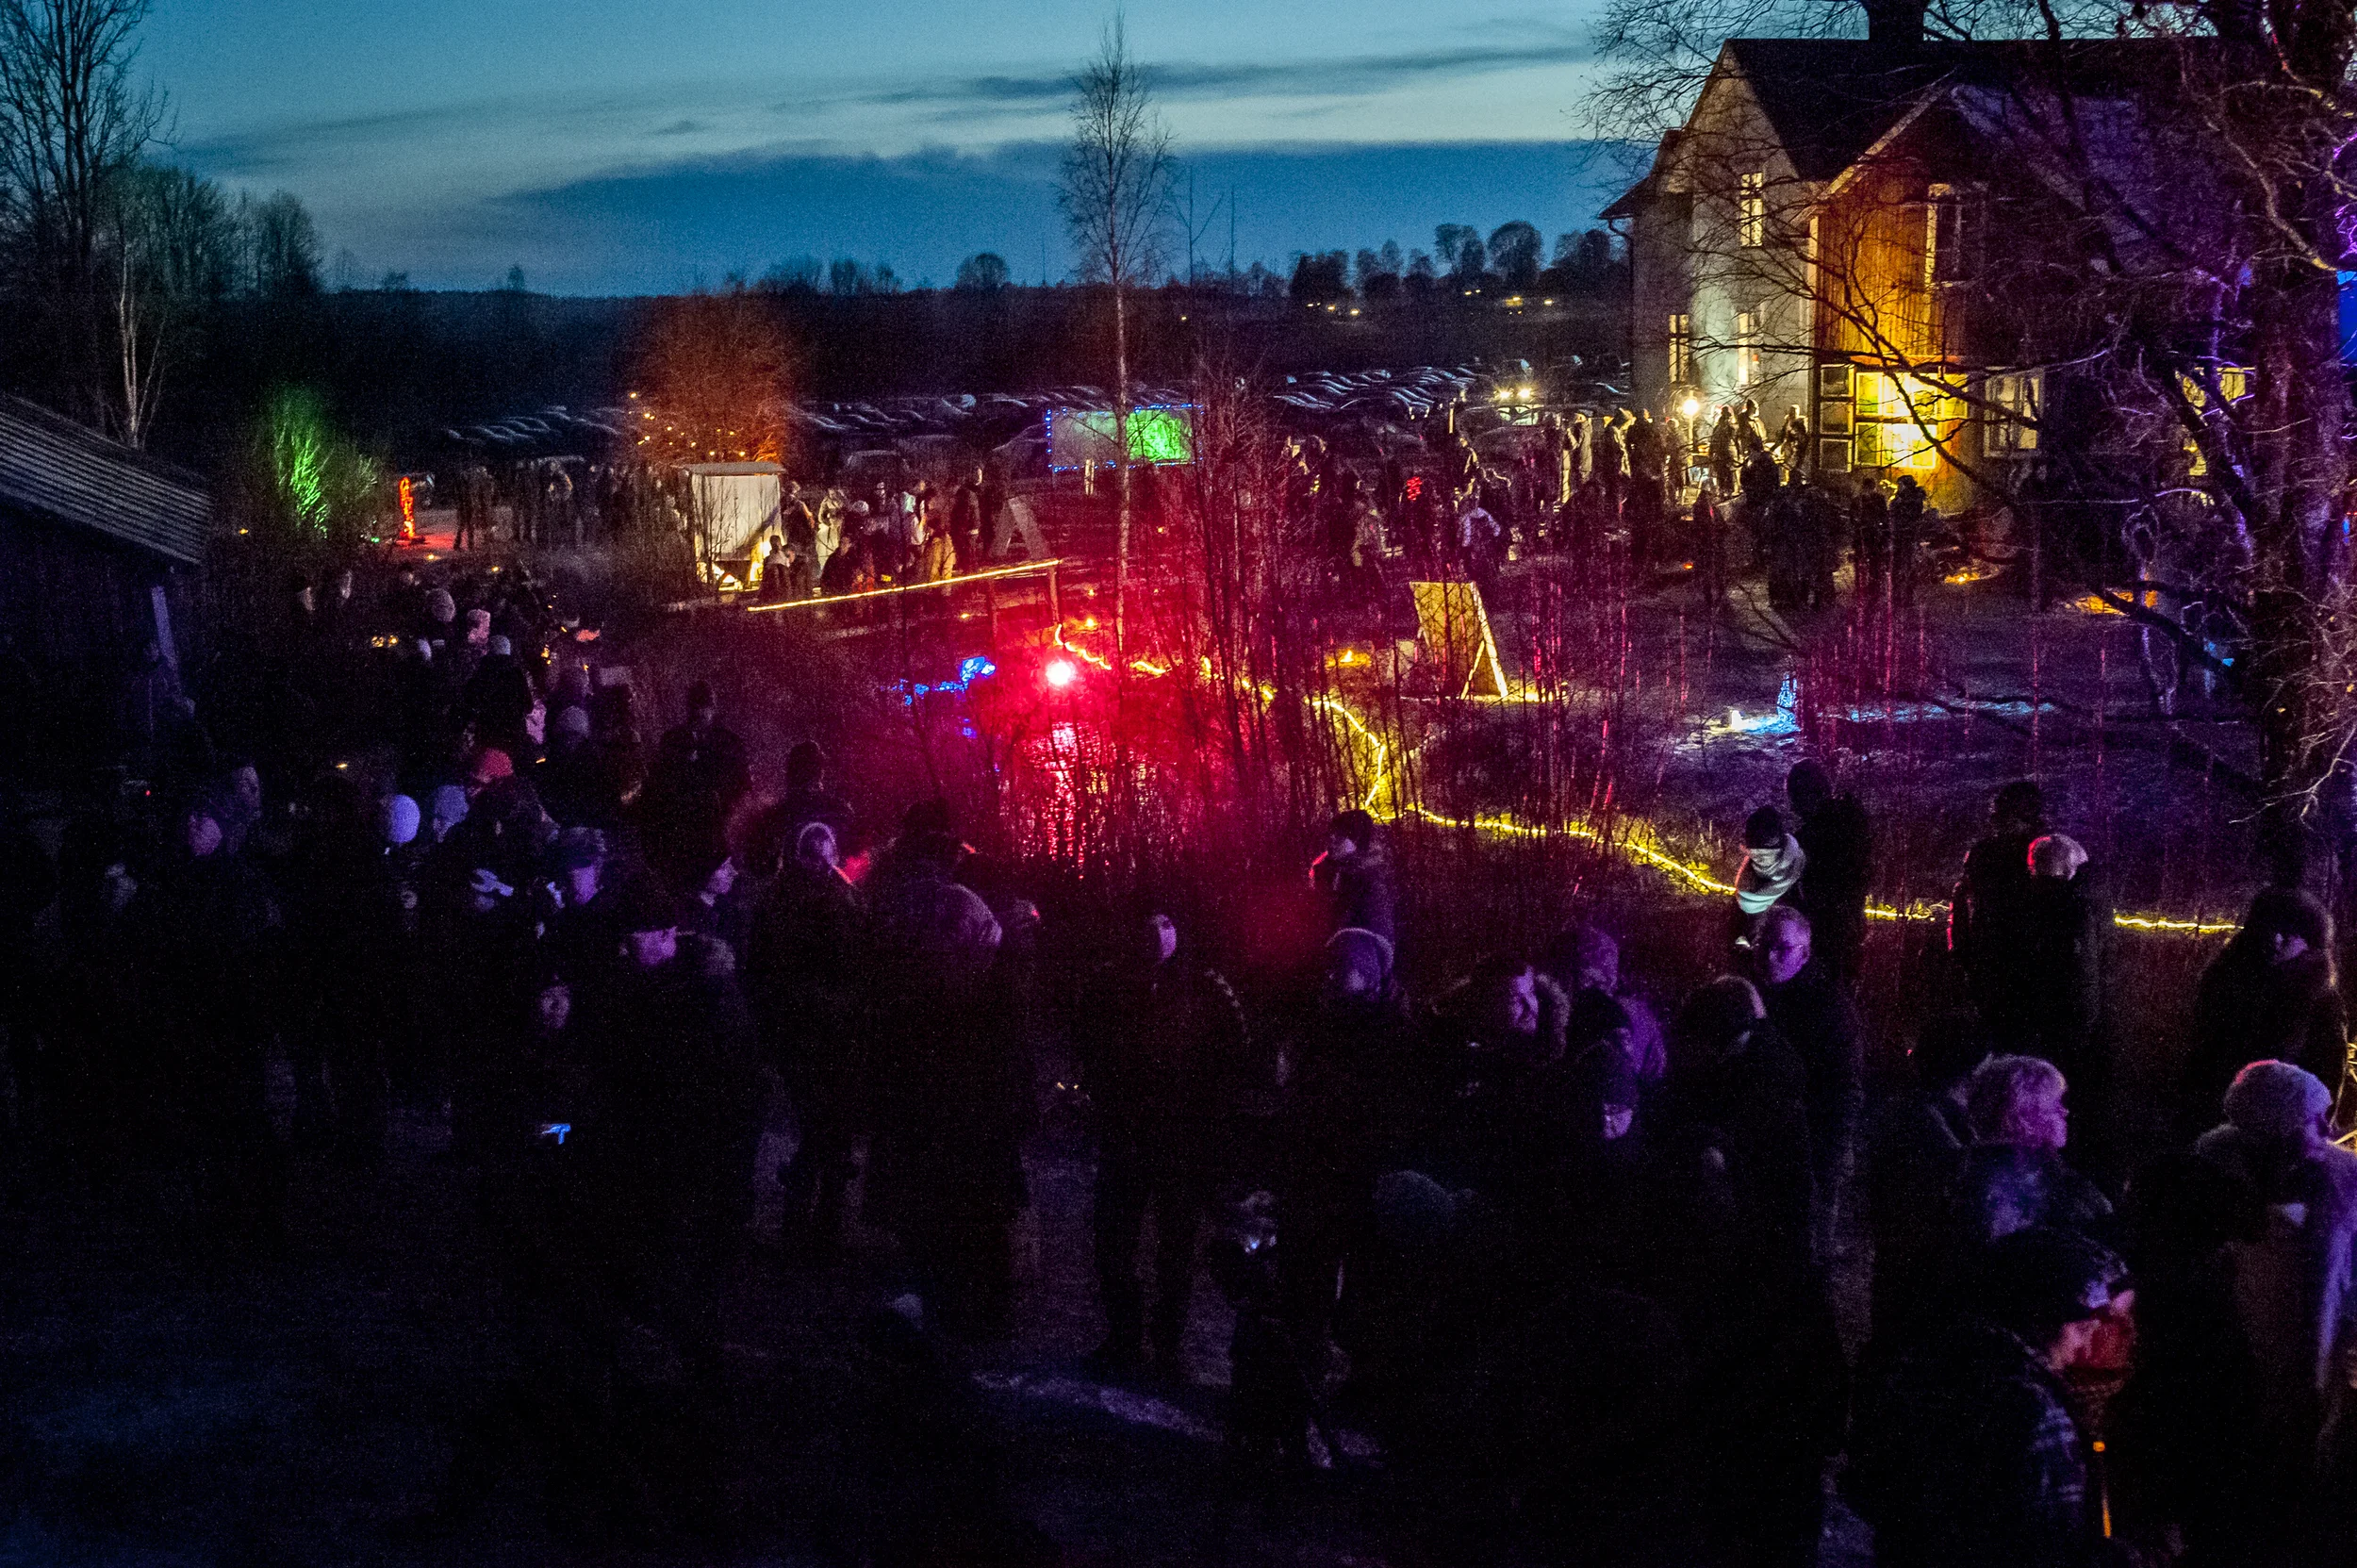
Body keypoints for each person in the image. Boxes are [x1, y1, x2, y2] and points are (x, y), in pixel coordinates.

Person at [1848, 1226, 2133, 1568]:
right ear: (2040, 1315)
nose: (2083, 1345)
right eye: (2081, 1327)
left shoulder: (1921, 1368)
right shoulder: (2036, 1411)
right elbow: (2053, 1548)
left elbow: (1867, 1488)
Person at [1081, 910, 1250, 1376]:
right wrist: (1106, 1098)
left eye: (1167, 922)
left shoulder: (1207, 986)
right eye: (1148, 923)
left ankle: (1167, 1348)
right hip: (1127, 1136)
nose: (1157, 934)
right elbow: (1088, 1045)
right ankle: (1123, 1338)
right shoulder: (1109, 983)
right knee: (1113, 1243)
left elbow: (1234, 1054)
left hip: (1183, 1141)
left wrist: (1208, 1119)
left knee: (1176, 1249)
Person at [748, 820, 868, 1258]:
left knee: (822, 1129)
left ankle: (804, 1226)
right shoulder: (842, 900)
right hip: (826, 1030)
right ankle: (819, 1230)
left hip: (802, 1029)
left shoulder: (778, 899)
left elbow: (760, 966)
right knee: (828, 1130)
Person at [2181, 886, 2346, 1135]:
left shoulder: (2319, 999)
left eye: (2289, 933)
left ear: (2309, 941)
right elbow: (2202, 1053)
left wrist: (2312, 1139)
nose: (2276, 939)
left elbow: (2327, 1078)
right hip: (2215, 1124)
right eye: (2269, 928)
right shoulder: (2225, 980)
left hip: (2282, 1138)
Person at [1752, 906, 1864, 1263]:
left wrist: (1828, 1152)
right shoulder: (1750, 994)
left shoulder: (1829, 1008)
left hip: (1812, 1136)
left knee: (1809, 1245)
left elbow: (1844, 1086)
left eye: (1781, 948)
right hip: (1763, 1135)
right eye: (1762, 945)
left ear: (1804, 953)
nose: (1769, 956)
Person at [1944, 1054, 2112, 1263]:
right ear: (2021, 1113)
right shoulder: (2053, 1186)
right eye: (2055, 1102)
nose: (2065, 1111)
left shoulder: (1958, 1172)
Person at [1951, 781, 2050, 1040]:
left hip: (2024, 967)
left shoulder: (2045, 855)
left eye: (2000, 813)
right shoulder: (1985, 853)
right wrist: (1961, 950)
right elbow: (1962, 903)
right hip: (1992, 963)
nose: (1993, 820)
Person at [1785, 759, 1872, 988]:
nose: (1792, 807)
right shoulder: (1853, 826)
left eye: (1795, 798)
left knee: (1826, 995)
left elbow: (1807, 892)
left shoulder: (1814, 839)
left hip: (1823, 936)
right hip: (1849, 930)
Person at [1312, 808, 1395, 946]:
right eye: (1331, 834)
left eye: (1340, 835)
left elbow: (1372, 935)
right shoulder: (1329, 872)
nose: (1332, 839)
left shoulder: (1371, 879)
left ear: (1358, 842)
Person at [1732, 803, 1805, 948]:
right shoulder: (1744, 887)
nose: (1759, 858)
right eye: (1755, 850)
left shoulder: (1806, 875)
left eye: (1766, 848)